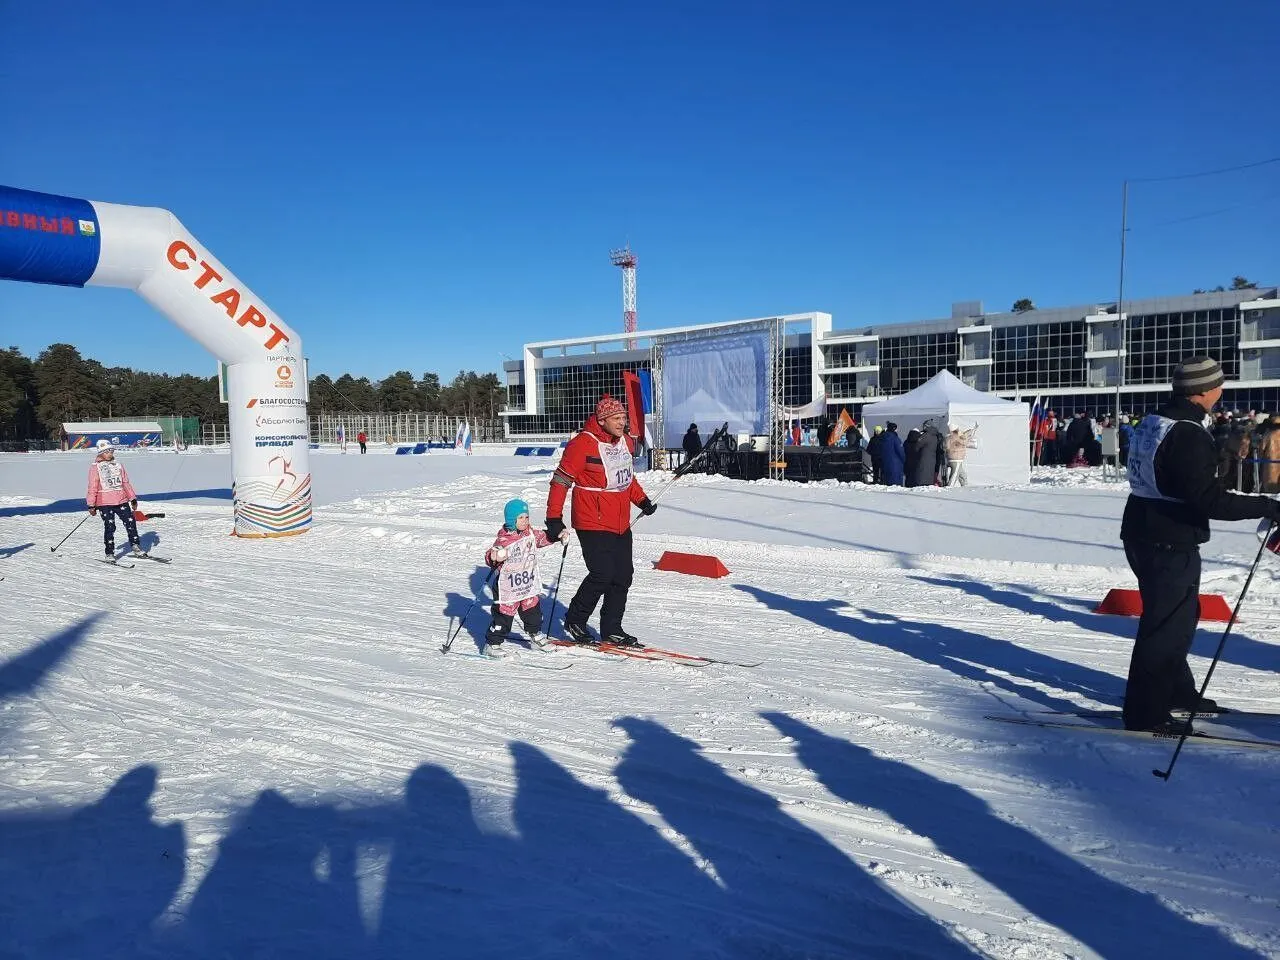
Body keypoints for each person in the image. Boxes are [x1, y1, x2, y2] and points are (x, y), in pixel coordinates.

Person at [1121, 357, 1280, 733]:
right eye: (1219, 385)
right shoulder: (1188, 431)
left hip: (1145, 530)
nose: (1221, 392)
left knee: (1180, 617)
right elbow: (1207, 499)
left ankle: (1175, 691)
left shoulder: (1157, 419)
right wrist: (1267, 506)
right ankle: (1145, 712)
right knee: (1165, 627)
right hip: (1168, 537)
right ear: (1206, 390)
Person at [545, 394, 656, 647]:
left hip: (619, 522)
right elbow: (560, 482)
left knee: (623, 575)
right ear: (602, 419)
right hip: (591, 520)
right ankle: (575, 619)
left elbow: (626, 479)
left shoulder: (623, 443)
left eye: (624, 418)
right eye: (617, 418)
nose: (622, 422)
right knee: (602, 573)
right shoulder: (582, 444)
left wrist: (642, 500)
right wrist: (554, 518)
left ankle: (611, 629)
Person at [482, 498, 569, 657]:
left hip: (527, 583)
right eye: (520, 518)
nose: (524, 521)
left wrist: (558, 535)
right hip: (508, 586)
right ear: (511, 520)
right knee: (504, 616)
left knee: (533, 612)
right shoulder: (504, 539)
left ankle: (535, 635)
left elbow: (543, 537)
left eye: (526, 517)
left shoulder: (530, 534)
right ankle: (492, 644)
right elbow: (491, 555)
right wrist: (496, 556)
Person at [87, 439, 146, 560]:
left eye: (111, 451)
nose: (110, 454)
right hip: (105, 503)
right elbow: (92, 486)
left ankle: (135, 546)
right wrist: (91, 505)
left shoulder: (118, 465)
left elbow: (125, 483)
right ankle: (109, 553)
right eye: (106, 452)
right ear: (100, 453)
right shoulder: (95, 467)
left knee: (130, 522)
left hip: (121, 500)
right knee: (110, 527)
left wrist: (132, 498)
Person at [944, 422, 975, 487]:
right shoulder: (958, 436)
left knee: (962, 475)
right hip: (957, 459)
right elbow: (965, 442)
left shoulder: (948, 437)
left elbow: (946, 447)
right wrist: (972, 431)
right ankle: (949, 488)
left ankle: (965, 486)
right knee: (954, 476)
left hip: (951, 458)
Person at [880, 422, 905, 486]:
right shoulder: (895, 439)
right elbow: (901, 452)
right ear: (894, 429)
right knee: (896, 487)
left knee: (888, 485)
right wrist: (904, 460)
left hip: (885, 464)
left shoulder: (883, 438)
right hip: (896, 465)